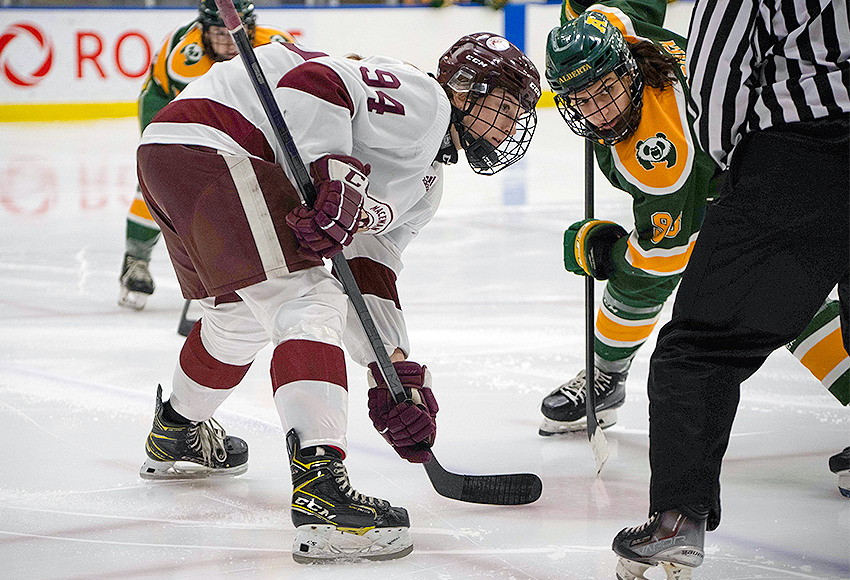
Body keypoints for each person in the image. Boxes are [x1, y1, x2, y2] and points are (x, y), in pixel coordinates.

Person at [135, 33, 540, 563]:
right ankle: (320, 492)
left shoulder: (425, 185)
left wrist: (393, 371)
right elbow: (316, 83)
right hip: (219, 141)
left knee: (238, 320)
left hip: (174, 154)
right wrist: (334, 172)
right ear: (465, 90)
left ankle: (177, 431)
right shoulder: (425, 101)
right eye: (505, 105)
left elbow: (371, 272)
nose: (512, 125)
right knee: (308, 303)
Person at [606, 0, 849, 576]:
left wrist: (734, 170)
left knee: (700, 348)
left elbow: (718, 72)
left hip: (801, 155)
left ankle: (676, 521)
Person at [539, 0, 850, 441]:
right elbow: (630, 6)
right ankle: (605, 376)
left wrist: (605, 252)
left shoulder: (660, 157)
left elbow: (663, 258)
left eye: (605, 91)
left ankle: (605, 375)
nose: (599, 112)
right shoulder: (615, 34)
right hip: (790, 140)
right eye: (582, 100)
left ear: (627, 71)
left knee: (780, 293)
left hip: (768, 172)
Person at [119, 0, 295, 310]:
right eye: (219, 33)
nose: (229, 40)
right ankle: (136, 260)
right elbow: (197, 120)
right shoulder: (187, 59)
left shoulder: (276, 45)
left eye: (235, 32)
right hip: (167, 107)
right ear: (203, 30)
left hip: (232, 117)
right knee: (161, 184)